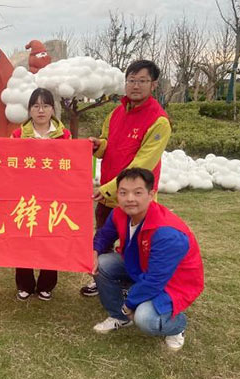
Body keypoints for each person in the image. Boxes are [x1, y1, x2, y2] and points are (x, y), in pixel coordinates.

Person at [81, 60, 171, 297]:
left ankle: (130, 285)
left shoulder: (159, 121)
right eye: (131, 80)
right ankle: (100, 279)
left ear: (154, 84)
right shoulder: (116, 113)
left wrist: (109, 188)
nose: (135, 86)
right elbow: (108, 144)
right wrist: (98, 146)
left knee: (133, 245)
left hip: (135, 199)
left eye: (142, 81)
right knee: (103, 238)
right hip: (109, 195)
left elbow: (142, 165)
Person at [91, 168, 204, 351]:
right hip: (140, 266)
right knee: (102, 264)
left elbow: (155, 280)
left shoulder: (167, 232)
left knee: (144, 317)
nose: (129, 199)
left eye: (137, 193)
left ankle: (177, 325)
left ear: (151, 194)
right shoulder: (120, 213)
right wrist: (94, 252)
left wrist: (129, 304)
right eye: (123, 192)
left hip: (173, 282)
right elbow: (104, 235)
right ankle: (119, 317)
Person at [11, 87, 71, 301]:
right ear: (29, 110)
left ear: (53, 109)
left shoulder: (64, 135)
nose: (41, 110)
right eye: (36, 106)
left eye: (45, 106)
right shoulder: (18, 135)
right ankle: (25, 284)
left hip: (53, 196)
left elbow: (71, 165)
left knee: (50, 238)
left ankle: (47, 283)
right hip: (25, 196)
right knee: (24, 239)